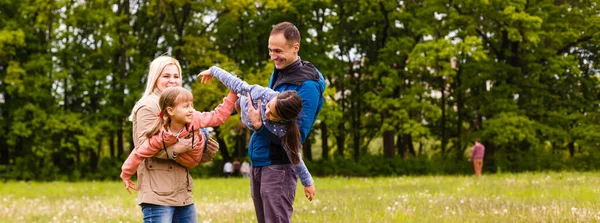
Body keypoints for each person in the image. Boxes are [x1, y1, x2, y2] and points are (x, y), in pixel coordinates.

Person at [246, 21, 327, 223]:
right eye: (270, 50)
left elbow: (296, 136)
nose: (273, 56)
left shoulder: (307, 85)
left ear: (295, 47)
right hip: (260, 161)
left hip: (279, 166)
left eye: (278, 51)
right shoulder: (281, 71)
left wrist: (259, 126)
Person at [126, 56, 224, 223]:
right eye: (166, 76)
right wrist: (179, 149)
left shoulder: (181, 105)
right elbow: (144, 148)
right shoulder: (148, 106)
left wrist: (205, 152)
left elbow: (188, 150)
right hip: (157, 196)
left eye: (176, 76)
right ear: (155, 78)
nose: (172, 80)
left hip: (182, 194)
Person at [198, 66, 315, 188]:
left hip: (247, 118)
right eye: (269, 106)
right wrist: (213, 71)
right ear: (274, 98)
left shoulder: (284, 130)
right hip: (242, 103)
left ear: (283, 119)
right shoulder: (262, 94)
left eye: (273, 115)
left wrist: (308, 183)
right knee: (218, 114)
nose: (267, 112)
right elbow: (235, 83)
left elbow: (295, 156)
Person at [121, 86, 237, 192]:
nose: (191, 109)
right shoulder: (162, 137)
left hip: (199, 140)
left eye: (192, 105)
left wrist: (232, 94)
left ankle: (204, 136)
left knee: (204, 131)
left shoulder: (194, 118)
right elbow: (139, 153)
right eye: (186, 106)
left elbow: (217, 116)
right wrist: (126, 174)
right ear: (170, 111)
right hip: (185, 155)